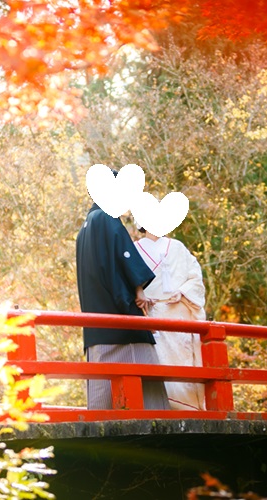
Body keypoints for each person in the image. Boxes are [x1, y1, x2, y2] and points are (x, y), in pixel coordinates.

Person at [76, 172, 170, 410]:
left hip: (96, 324)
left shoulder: (86, 227)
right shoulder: (107, 219)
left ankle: (98, 433)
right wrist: (138, 290)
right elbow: (123, 255)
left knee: (102, 395)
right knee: (146, 386)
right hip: (121, 324)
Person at [134, 227, 206, 410]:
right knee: (158, 360)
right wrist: (140, 297)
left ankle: (188, 407)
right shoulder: (134, 248)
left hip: (178, 315)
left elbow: (195, 277)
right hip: (151, 313)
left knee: (182, 361)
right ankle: (163, 405)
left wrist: (182, 292)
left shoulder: (177, 247)